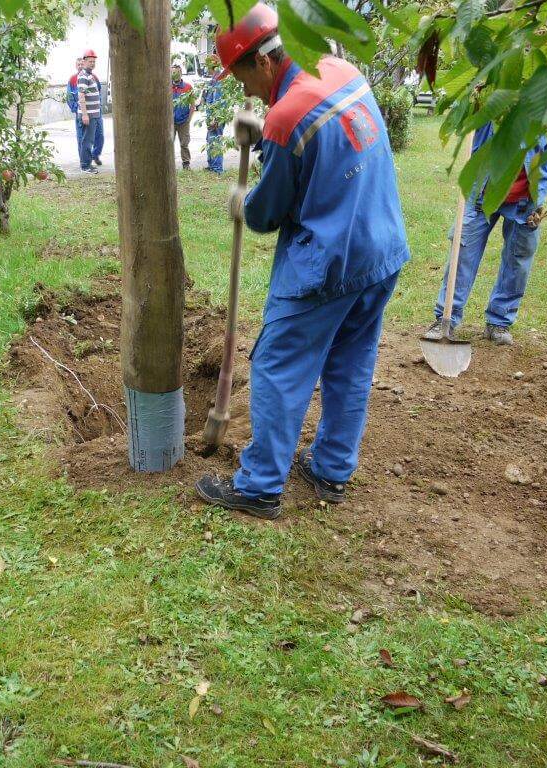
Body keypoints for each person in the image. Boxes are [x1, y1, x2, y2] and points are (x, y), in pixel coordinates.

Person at [194, 3, 410, 519]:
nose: (245, 89)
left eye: (242, 77)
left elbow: (267, 214)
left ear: (262, 62)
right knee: (350, 362)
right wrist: (266, 137)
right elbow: (323, 161)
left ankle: (260, 486)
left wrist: (241, 198)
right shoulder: (341, 71)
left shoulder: (288, 117)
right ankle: (331, 470)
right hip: (382, 250)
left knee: (277, 365)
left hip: (328, 265)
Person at [423, 92, 547, 345]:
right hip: (482, 192)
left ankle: (499, 322)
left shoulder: (545, 94)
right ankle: (446, 318)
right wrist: (475, 93)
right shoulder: (494, 93)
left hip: (527, 199)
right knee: (462, 253)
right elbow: (462, 106)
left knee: (518, 260)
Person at [76, 49, 103, 174]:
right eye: (90, 61)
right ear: (84, 61)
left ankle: (87, 164)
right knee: (87, 140)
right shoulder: (83, 76)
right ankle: (85, 166)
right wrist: (85, 114)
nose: (92, 63)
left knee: (90, 140)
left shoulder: (90, 75)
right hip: (89, 116)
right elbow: (81, 95)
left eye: (94, 61)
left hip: (95, 115)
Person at [201, 54, 225, 175]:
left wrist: (215, 119)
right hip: (211, 116)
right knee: (210, 139)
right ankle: (212, 166)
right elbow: (206, 98)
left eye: (207, 65)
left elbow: (218, 102)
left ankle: (217, 169)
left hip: (216, 117)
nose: (206, 68)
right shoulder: (212, 80)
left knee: (215, 140)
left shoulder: (219, 80)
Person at [171, 63, 194, 170]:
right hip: (170, 122)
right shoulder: (167, 87)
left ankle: (186, 163)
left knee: (184, 143)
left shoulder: (188, 87)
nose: (174, 74)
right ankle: (169, 164)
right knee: (169, 143)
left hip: (183, 121)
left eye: (176, 72)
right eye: (172, 72)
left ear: (180, 73)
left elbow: (192, 105)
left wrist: (189, 119)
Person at [67, 58, 85, 168]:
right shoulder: (73, 80)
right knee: (80, 137)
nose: (80, 66)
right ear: (76, 66)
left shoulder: (90, 77)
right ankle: (83, 161)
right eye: (78, 64)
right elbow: (69, 96)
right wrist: (75, 108)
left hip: (91, 113)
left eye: (82, 64)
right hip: (79, 113)